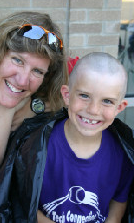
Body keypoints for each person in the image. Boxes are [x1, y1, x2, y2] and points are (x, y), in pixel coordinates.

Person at [0, 11, 67, 204]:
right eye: (17, 60)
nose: (23, 80)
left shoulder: (40, 81)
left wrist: (31, 105)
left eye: (37, 71)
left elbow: (88, 79)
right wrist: (5, 109)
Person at [34, 52, 134, 222]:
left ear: (120, 107)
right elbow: (24, 204)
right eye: (85, 96)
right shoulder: (39, 147)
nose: (94, 110)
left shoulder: (121, 155)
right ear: (66, 95)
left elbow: (119, 200)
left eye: (107, 101)